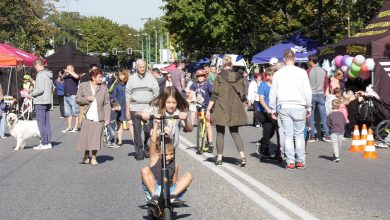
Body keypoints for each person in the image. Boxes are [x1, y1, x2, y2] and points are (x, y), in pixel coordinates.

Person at [269, 49, 312, 170]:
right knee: (299, 135)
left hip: (284, 106)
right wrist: (309, 106)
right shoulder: (302, 72)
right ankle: (301, 161)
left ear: (284, 59)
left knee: (288, 135)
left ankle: (290, 162)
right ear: (295, 59)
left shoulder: (278, 74)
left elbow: (273, 93)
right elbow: (307, 91)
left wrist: (273, 108)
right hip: (299, 106)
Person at [206, 55, 248, 167]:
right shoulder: (239, 77)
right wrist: (244, 105)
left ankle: (219, 158)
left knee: (220, 133)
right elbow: (243, 94)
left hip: (221, 107)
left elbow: (214, 95)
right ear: (232, 64)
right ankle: (242, 157)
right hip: (235, 107)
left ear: (222, 64)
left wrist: (208, 109)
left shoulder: (219, 77)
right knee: (235, 132)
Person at [140, 120, 192, 203]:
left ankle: (173, 196)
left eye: (171, 154)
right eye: (166, 155)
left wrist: (178, 189)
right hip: (155, 188)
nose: (169, 157)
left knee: (189, 175)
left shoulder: (174, 165)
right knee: (145, 170)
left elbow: (175, 182)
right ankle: (154, 196)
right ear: (157, 153)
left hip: (169, 190)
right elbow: (153, 142)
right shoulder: (154, 158)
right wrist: (156, 124)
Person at [126, 59, 160, 161]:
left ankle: (146, 146)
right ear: (136, 67)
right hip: (135, 108)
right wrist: (127, 111)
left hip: (148, 107)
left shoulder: (151, 78)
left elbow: (156, 93)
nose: (142, 68)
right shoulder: (131, 79)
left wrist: (154, 108)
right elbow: (127, 95)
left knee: (148, 131)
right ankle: (139, 152)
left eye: (144, 66)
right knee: (137, 131)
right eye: (140, 66)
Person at [76, 68, 110, 165]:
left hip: (99, 116)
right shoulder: (83, 86)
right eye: (99, 77)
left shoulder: (104, 88)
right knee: (86, 138)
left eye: (101, 76)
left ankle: (94, 157)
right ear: (93, 77)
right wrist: (86, 99)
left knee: (96, 138)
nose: (101, 78)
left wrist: (107, 117)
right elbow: (77, 99)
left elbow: (107, 104)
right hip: (87, 116)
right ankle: (86, 154)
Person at [27, 59, 53, 150]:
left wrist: (31, 94)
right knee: (46, 123)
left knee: (41, 123)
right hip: (47, 100)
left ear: (37, 65)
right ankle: (48, 142)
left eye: (35, 67)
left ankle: (44, 143)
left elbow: (40, 89)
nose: (35, 69)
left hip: (40, 101)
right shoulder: (48, 73)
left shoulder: (40, 74)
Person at [307, 55, 330, 142]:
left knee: (311, 116)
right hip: (320, 94)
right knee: (323, 116)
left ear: (311, 61)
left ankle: (312, 136)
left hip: (311, 94)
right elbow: (325, 84)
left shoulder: (308, 71)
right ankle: (327, 135)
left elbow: (306, 85)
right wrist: (323, 93)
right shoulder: (324, 71)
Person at [257, 68, 280, 157]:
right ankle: (265, 149)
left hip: (274, 111)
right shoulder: (263, 85)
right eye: (273, 76)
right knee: (268, 129)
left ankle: (262, 142)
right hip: (263, 112)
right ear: (268, 76)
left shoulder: (277, 86)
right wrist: (267, 109)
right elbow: (261, 99)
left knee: (272, 131)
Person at [190, 69, 213, 153]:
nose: (200, 77)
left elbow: (212, 95)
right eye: (199, 76)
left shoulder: (208, 85)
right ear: (196, 77)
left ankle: (210, 143)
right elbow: (191, 93)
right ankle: (200, 144)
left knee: (207, 124)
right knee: (200, 122)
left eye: (202, 76)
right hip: (199, 107)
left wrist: (210, 107)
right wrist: (189, 99)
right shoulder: (194, 85)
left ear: (205, 76)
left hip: (207, 107)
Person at [112, 69, 130, 146]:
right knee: (119, 123)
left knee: (130, 123)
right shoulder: (117, 85)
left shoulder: (129, 84)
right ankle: (119, 140)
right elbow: (114, 95)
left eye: (122, 75)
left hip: (128, 106)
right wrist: (117, 103)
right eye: (119, 75)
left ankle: (135, 140)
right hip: (119, 106)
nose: (121, 77)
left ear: (125, 75)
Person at [62, 64, 80, 133]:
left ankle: (76, 127)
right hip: (66, 95)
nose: (67, 69)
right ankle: (69, 127)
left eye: (68, 68)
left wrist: (69, 72)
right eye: (66, 68)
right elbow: (61, 78)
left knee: (76, 112)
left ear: (72, 69)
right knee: (68, 113)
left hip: (73, 95)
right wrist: (64, 73)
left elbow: (77, 77)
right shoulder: (66, 76)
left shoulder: (75, 74)